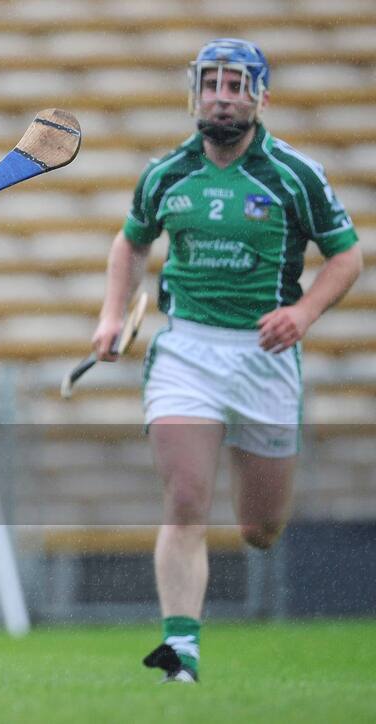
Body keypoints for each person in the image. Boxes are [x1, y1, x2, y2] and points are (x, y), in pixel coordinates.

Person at [92, 38, 363, 683]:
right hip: (187, 350)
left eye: (237, 85)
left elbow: (347, 257)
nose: (221, 95)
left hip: (265, 358)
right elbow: (131, 245)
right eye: (211, 83)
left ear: (261, 98)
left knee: (261, 528)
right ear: (195, 93)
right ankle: (179, 651)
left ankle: (209, 604)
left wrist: (303, 315)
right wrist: (110, 313)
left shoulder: (295, 175)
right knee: (186, 499)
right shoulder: (165, 174)